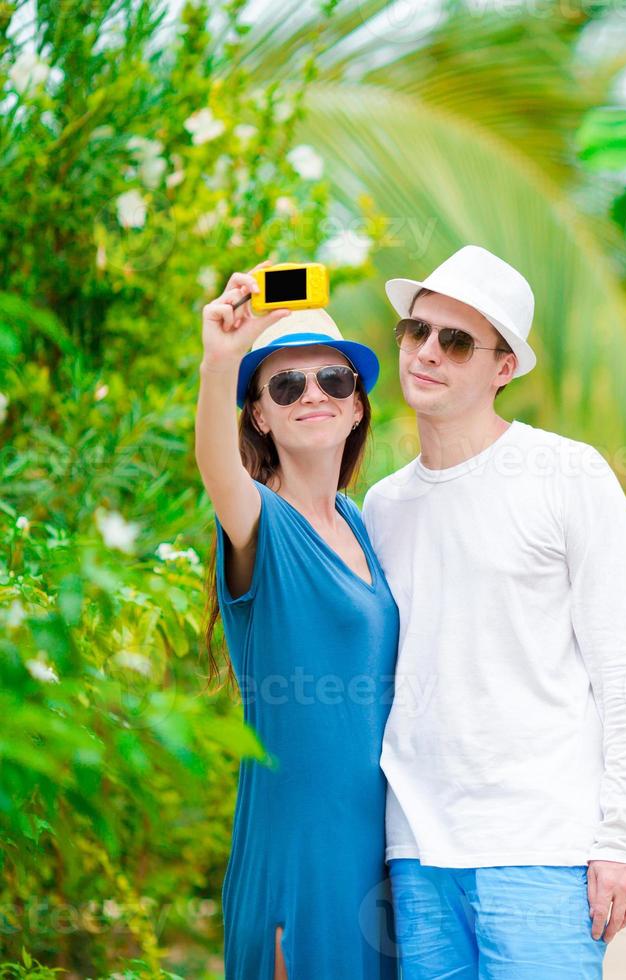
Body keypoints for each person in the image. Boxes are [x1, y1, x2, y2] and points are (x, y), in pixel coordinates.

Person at [363, 244, 626, 979]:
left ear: (503, 368)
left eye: (457, 340)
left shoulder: (567, 476)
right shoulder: (382, 506)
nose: (428, 352)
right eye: (417, 330)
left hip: (542, 848)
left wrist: (623, 840)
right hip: (418, 851)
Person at [196, 260, 398, 979]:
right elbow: (219, 470)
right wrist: (221, 362)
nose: (313, 394)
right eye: (286, 384)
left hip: (376, 857)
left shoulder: (361, 522)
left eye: (333, 380)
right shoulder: (260, 520)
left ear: (356, 406)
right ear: (261, 413)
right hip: (297, 856)